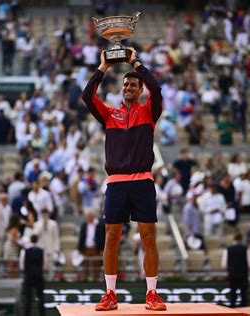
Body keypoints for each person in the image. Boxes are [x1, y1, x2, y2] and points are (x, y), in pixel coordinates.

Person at [82, 48, 166, 311]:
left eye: (133, 84)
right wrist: (104, 66)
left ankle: (152, 294)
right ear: (122, 89)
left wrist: (134, 62)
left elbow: (157, 88)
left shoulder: (149, 111)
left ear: (139, 90)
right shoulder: (109, 115)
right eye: (126, 84)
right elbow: (87, 95)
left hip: (142, 180)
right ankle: (110, 294)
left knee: (148, 236)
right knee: (111, 237)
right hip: (116, 182)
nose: (129, 87)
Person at [221, 233, 250, 307]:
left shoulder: (227, 249)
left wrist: (231, 268)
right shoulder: (246, 249)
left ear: (233, 240)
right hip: (243, 274)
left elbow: (223, 264)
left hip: (232, 274)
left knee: (233, 293)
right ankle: (244, 309)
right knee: (243, 293)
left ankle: (233, 309)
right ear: (241, 239)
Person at [20, 234, 45, 316]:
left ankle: (27, 314)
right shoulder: (41, 251)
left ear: (31, 240)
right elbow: (42, 264)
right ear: (37, 240)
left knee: (28, 298)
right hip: (38, 275)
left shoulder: (26, 251)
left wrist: (26, 272)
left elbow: (24, 264)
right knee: (41, 297)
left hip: (29, 275)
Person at [78, 209, 105, 281]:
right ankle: (86, 279)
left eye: (89, 216)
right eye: (87, 216)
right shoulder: (84, 225)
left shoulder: (99, 225)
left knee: (96, 264)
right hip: (86, 248)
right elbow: (82, 237)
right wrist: (80, 249)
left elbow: (102, 237)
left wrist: (102, 248)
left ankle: (96, 279)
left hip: (96, 248)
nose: (88, 218)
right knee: (86, 265)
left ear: (93, 216)